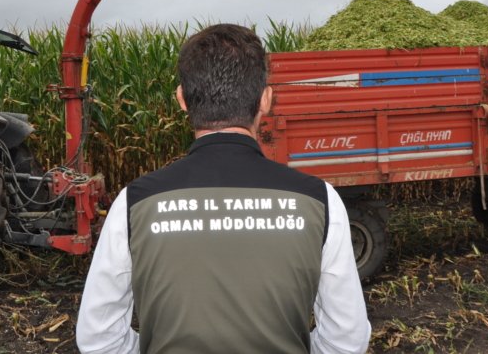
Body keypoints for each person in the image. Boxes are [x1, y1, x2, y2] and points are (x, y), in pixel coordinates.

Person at [76, 24, 370, 354]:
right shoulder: (319, 200)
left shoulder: (134, 203)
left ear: (182, 99)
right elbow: (347, 338)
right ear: (266, 100)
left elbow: (98, 337)